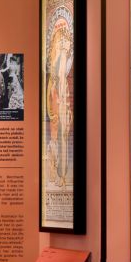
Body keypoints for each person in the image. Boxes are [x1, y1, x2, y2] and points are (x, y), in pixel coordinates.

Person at [46, 27, 73, 188]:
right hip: (56, 103)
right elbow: (52, 83)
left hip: (62, 104)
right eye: (60, 41)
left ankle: (61, 175)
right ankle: (56, 173)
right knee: (56, 138)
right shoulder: (56, 60)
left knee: (62, 139)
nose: (63, 43)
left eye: (65, 41)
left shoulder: (63, 58)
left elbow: (62, 83)